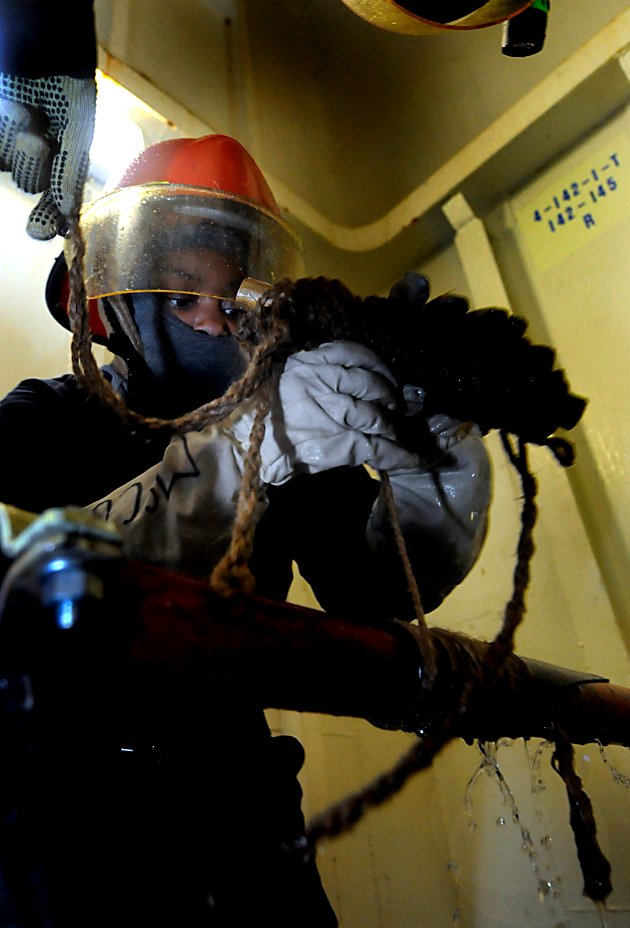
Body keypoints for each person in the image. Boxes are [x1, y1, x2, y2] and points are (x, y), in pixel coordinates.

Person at [0, 129, 492, 926]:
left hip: (241, 811)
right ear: (109, 301)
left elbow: (378, 589)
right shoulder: (46, 420)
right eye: (182, 287)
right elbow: (19, 580)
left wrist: (430, 466)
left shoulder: (289, 437)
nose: (213, 320)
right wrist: (238, 460)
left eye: (235, 295)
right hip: (63, 811)